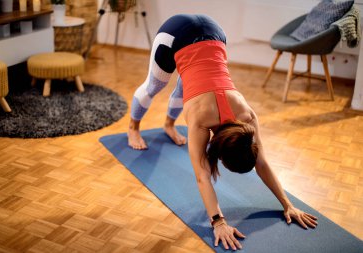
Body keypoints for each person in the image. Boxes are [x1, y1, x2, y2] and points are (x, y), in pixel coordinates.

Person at [128, 14, 318, 251]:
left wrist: (288, 204)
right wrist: (219, 222)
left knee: (186, 83)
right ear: (217, 149)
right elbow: (202, 176)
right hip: (175, 33)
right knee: (156, 84)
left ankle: (168, 124)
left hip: (215, 32)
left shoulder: (247, 118)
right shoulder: (199, 120)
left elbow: (262, 163)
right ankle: (133, 127)